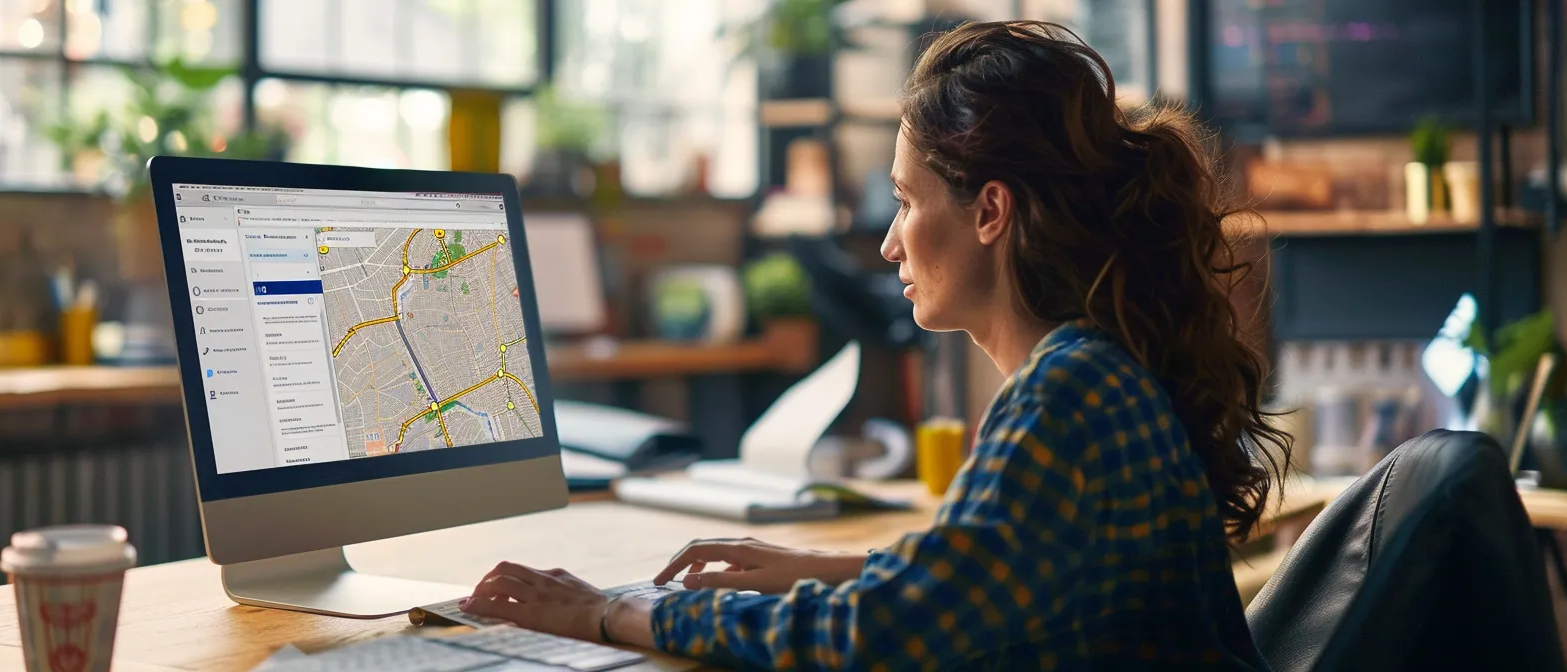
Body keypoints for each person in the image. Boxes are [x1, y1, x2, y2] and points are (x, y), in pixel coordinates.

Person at [461, 20, 1291, 670]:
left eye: (905, 200)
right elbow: (983, 581)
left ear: (990, 212)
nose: (892, 244)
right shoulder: (1101, 368)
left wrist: (608, 613)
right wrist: (815, 566)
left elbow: (884, 637)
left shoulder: (1069, 389)